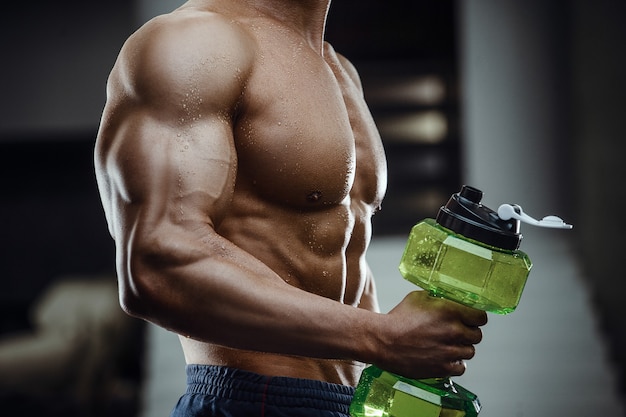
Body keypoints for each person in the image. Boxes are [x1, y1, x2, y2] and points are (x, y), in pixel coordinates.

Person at [94, 0, 488, 415]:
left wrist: (399, 362)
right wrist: (382, 337)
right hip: (253, 400)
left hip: (351, 402)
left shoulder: (339, 69)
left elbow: (341, 259)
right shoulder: (192, 43)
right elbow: (158, 263)